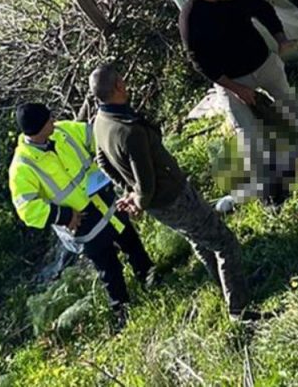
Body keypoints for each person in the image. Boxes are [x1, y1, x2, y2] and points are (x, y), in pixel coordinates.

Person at [88, 64, 261, 320]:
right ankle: (240, 309)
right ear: (118, 87)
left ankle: (230, 286)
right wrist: (137, 198)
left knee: (199, 240)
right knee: (224, 243)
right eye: (122, 81)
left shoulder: (99, 122)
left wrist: (128, 190)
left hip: (163, 204)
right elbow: (146, 184)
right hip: (173, 196)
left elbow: (102, 161)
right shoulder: (129, 130)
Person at [179, 0, 298, 203]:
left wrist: (281, 39)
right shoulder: (192, 16)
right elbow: (199, 62)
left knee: (290, 102)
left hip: (262, 62)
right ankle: (271, 192)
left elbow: (263, 9)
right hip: (230, 79)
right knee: (249, 133)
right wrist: (237, 89)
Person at [8, 103, 154, 328]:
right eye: (48, 121)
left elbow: (98, 138)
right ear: (37, 129)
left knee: (131, 241)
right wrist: (64, 216)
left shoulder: (65, 131)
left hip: (107, 203)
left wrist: (116, 170)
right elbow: (27, 209)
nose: (53, 123)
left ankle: (150, 277)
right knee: (108, 267)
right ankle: (122, 310)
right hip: (82, 222)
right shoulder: (22, 167)